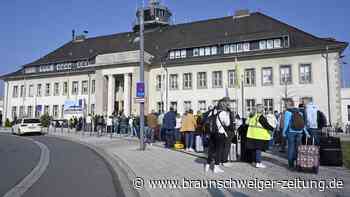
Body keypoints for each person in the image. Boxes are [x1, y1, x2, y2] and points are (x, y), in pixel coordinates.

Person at [205, 97, 231, 173]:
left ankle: (207, 165)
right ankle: (216, 167)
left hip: (212, 133)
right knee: (219, 151)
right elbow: (227, 123)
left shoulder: (213, 111)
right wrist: (227, 115)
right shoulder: (223, 113)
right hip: (220, 133)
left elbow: (207, 120)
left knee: (211, 150)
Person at [283, 99, 310, 170]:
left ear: (288, 104)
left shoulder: (287, 112)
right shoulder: (299, 111)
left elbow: (286, 124)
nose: (284, 105)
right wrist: (306, 132)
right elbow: (303, 123)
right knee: (298, 148)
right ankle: (299, 164)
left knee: (291, 148)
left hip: (291, 132)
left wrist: (283, 132)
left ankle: (291, 165)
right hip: (299, 132)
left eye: (285, 104)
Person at [246, 104, 275, 168]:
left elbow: (246, 123)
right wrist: (273, 129)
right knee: (258, 149)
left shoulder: (251, 116)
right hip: (259, 135)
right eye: (262, 108)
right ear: (260, 109)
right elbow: (266, 125)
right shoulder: (260, 117)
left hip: (251, 135)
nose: (263, 109)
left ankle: (254, 161)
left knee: (254, 149)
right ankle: (258, 162)